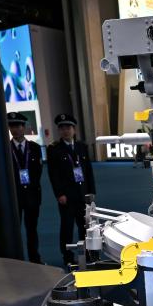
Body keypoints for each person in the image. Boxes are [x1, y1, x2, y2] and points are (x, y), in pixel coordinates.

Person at [47, 113, 96, 265]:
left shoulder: (82, 147)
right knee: (67, 228)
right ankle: (67, 257)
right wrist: (59, 193)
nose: (65, 131)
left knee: (85, 226)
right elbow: (53, 174)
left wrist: (92, 191)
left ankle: (87, 254)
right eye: (62, 128)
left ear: (74, 129)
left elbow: (88, 171)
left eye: (68, 127)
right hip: (66, 196)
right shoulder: (54, 149)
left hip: (83, 194)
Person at [7, 112, 44, 263]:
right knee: (13, 231)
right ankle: (15, 260)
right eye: (11, 126)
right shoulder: (5, 149)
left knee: (32, 229)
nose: (14, 129)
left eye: (17, 126)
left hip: (32, 195)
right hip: (13, 197)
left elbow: (38, 171)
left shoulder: (34, 148)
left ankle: (34, 259)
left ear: (24, 127)